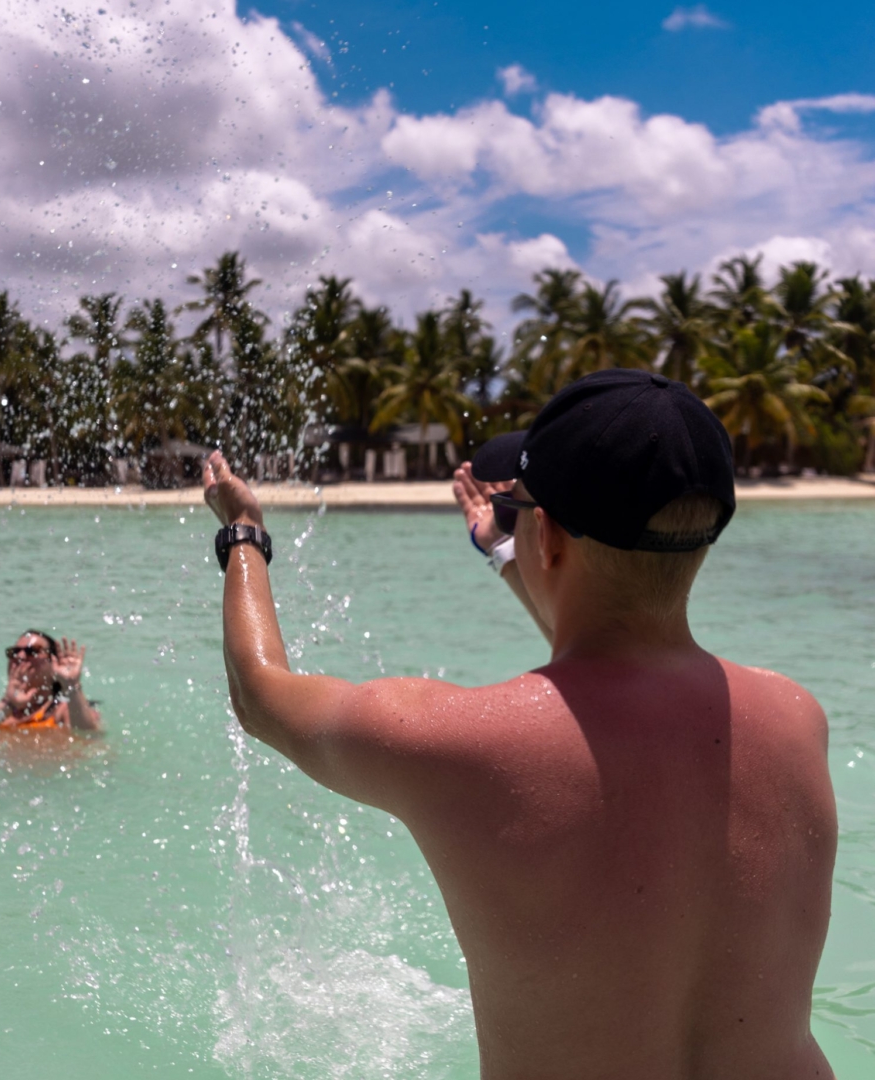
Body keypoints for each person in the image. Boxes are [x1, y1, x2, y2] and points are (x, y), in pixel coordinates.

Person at [202, 368, 837, 1080]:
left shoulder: (455, 743)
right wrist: (510, 551)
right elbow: (608, 679)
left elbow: (259, 694)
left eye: (517, 512)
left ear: (550, 533)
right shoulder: (797, 718)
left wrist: (244, 533)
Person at [0, 629, 101, 735]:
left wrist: (71, 685)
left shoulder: (64, 711)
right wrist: (8, 705)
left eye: (33, 652)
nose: (20, 656)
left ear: (54, 664)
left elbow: (88, 734)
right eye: (14, 652)